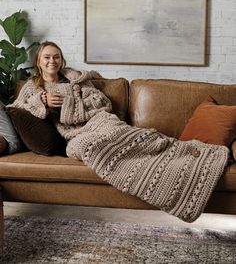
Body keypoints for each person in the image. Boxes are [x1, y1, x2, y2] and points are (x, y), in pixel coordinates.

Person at [9, 41, 229, 223]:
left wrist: (69, 103)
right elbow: (16, 109)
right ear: (38, 61)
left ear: (62, 59)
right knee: (87, 148)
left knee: (134, 137)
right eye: (47, 57)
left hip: (99, 121)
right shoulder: (33, 88)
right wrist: (42, 102)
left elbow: (101, 102)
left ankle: (190, 154)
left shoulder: (76, 80)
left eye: (56, 56)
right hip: (74, 136)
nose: (52, 61)